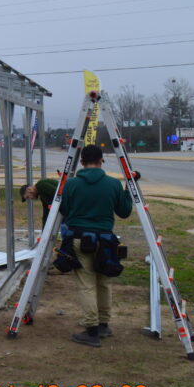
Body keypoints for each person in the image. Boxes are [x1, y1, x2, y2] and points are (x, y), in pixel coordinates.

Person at [58, 144, 133, 348]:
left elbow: (63, 210)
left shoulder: (72, 184)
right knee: (103, 283)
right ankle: (103, 324)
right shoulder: (113, 184)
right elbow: (124, 212)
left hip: (80, 240)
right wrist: (128, 190)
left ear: (81, 162)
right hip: (106, 242)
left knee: (87, 285)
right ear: (102, 161)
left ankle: (91, 331)